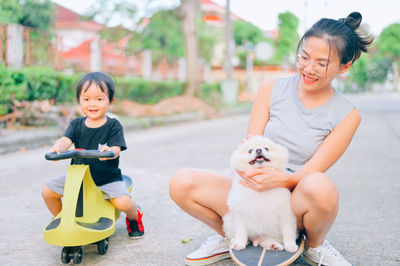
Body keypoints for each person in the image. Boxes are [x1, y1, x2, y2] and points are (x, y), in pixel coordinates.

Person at [169, 12, 373, 266]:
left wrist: (284, 180)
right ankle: (232, 237)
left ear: (344, 67)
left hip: (292, 202)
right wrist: (251, 177)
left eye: (321, 63)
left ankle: (314, 245)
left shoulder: (348, 115)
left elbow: (313, 170)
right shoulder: (271, 88)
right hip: (252, 189)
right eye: (304, 57)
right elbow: (251, 145)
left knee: (322, 187)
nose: (308, 68)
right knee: (182, 182)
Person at [42, 72, 144, 239]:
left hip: (106, 177)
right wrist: (59, 145)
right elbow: (66, 139)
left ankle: (134, 217)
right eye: (86, 99)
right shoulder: (76, 124)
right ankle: (64, 218)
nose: (92, 104)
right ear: (79, 101)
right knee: (48, 191)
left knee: (123, 202)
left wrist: (110, 152)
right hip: (79, 178)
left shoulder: (113, 125)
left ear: (110, 101)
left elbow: (116, 147)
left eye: (99, 99)